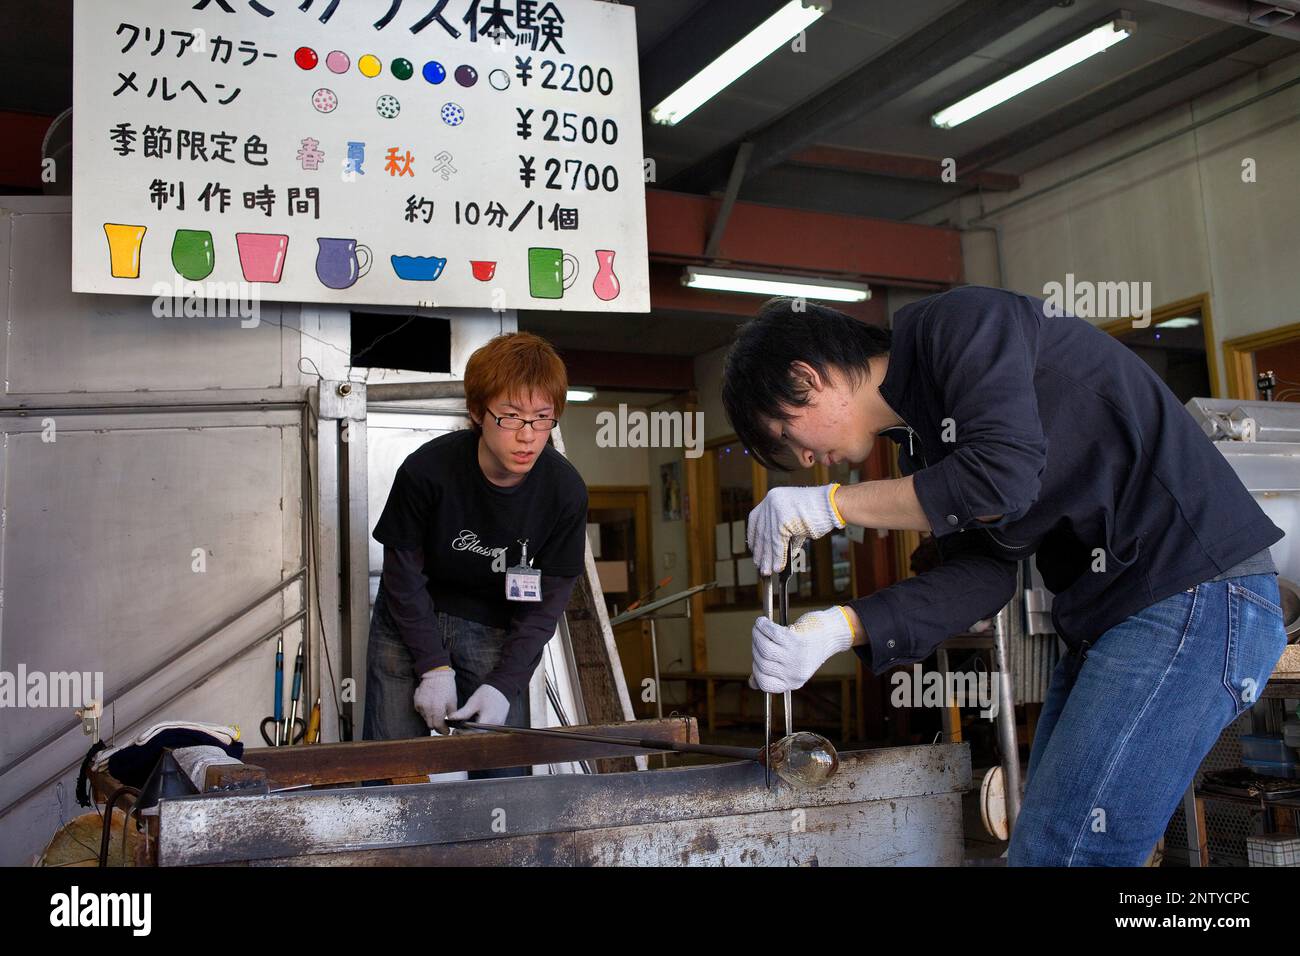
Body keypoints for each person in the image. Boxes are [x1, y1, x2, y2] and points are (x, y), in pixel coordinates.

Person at [722, 286, 1287, 865]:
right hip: (1115, 618)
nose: (808, 462)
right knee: (1044, 850)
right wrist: (839, 629)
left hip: (1193, 593)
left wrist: (835, 505)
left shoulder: (962, 325)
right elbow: (984, 575)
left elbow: (1000, 478)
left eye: (789, 436)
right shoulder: (920, 446)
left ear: (807, 377)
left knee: (1060, 855)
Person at [363, 331, 589, 778]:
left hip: (494, 624)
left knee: (502, 771)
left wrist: (504, 685)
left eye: (542, 418)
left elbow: (548, 604)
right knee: (392, 769)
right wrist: (431, 665)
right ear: (476, 413)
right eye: (510, 417)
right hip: (407, 615)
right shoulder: (427, 470)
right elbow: (402, 575)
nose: (527, 436)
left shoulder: (564, 492)